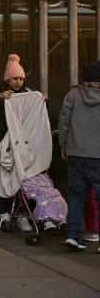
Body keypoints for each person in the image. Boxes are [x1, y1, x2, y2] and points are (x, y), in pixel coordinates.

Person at [0, 53, 30, 230]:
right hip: (1, 142)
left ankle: (22, 214)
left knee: (24, 178)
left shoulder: (27, 94)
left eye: (21, 79)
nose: (18, 82)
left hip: (21, 144)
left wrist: (42, 99)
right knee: (1, 176)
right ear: (7, 79)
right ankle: (4, 213)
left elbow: (39, 110)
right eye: (14, 78)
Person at [58, 60, 100, 252]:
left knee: (75, 196)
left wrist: (64, 147)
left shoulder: (73, 95)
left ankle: (73, 236)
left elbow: (64, 123)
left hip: (75, 153)